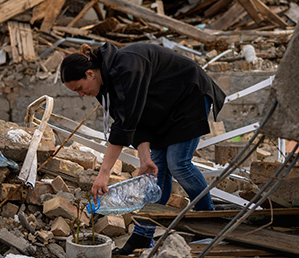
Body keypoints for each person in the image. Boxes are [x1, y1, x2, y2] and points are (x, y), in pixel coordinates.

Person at [60, 42, 225, 255]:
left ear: (90, 74)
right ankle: (142, 236)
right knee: (155, 172)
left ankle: (208, 223)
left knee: (178, 163)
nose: (81, 94)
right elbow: (133, 122)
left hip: (189, 96)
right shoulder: (105, 89)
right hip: (161, 110)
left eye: (79, 88)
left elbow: (124, 127)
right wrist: (145, 157)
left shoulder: (127, 67)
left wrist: (104, 172)